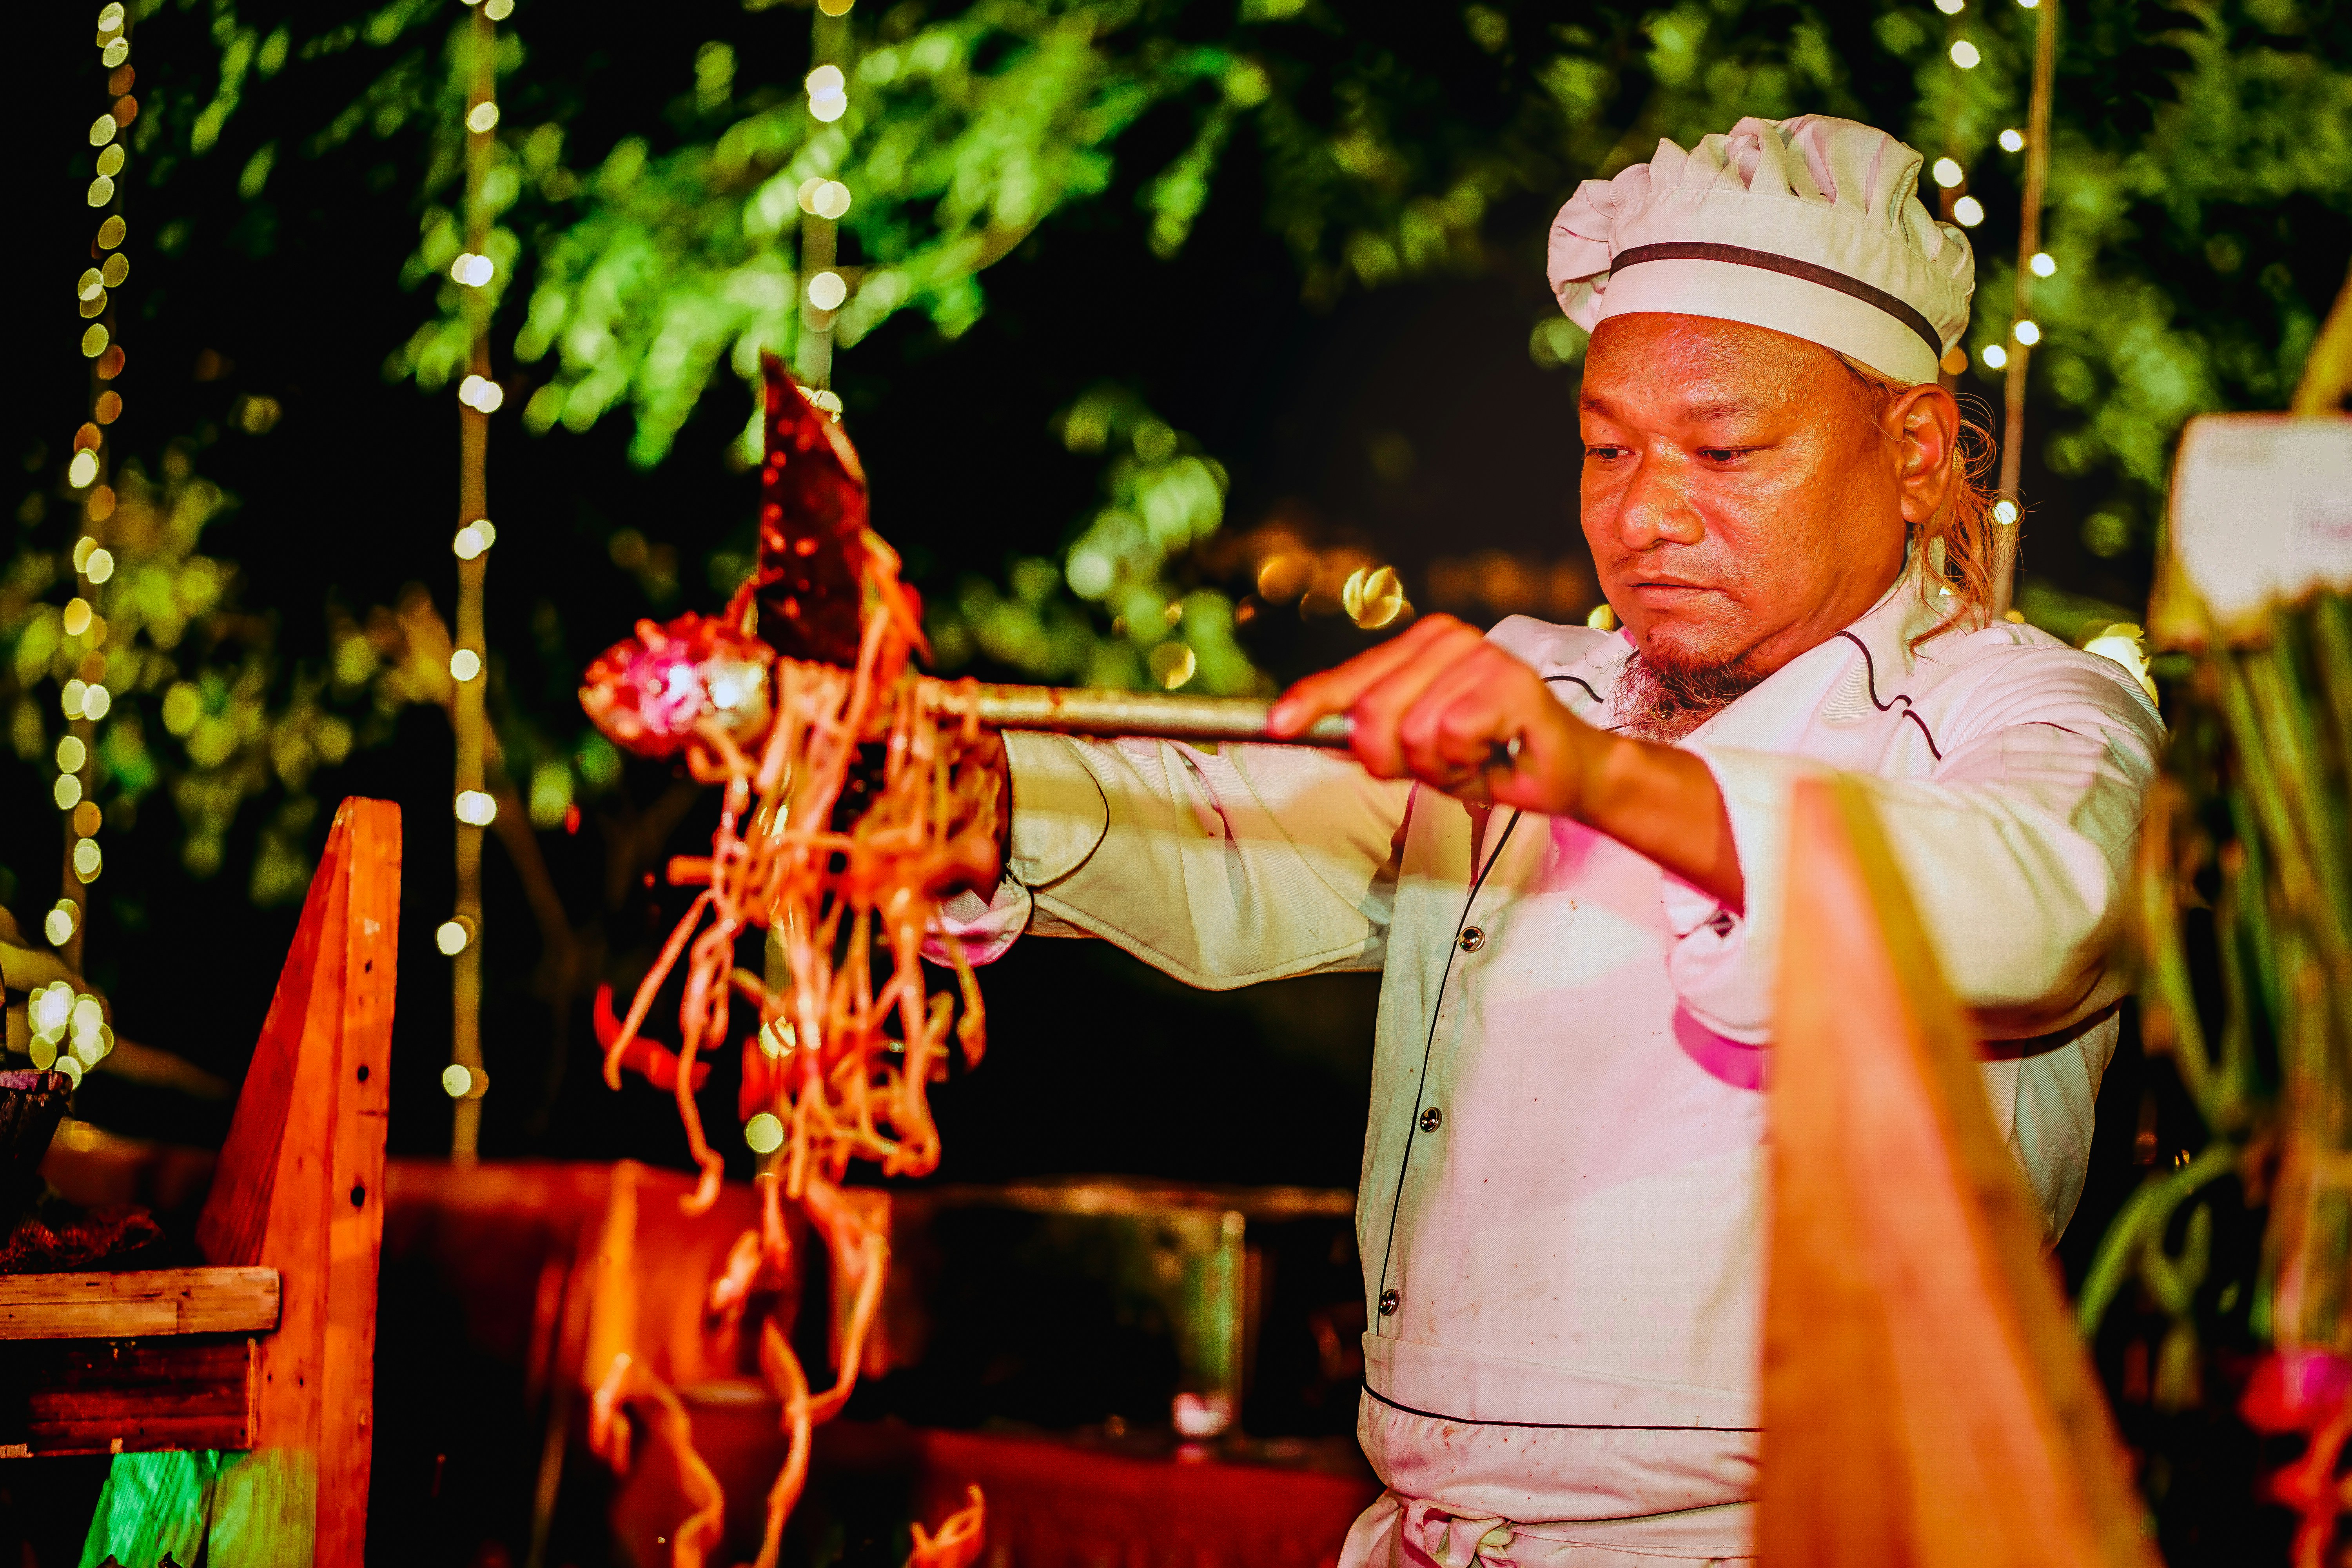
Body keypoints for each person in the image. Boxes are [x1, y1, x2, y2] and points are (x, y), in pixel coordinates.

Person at [942, 114, 2162, 1567]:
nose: (1646, 514)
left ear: (1908, 450)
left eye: (1725, 449)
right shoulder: (1556, 686)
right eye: (1607, 449)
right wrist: (963, 798)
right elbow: (1226, 829)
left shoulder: (2031, 705)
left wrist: (1600, 783)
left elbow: (2038, 912)